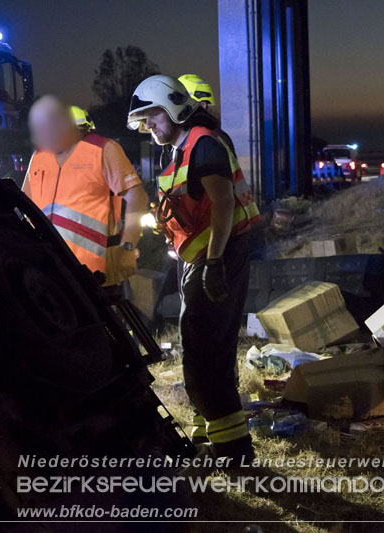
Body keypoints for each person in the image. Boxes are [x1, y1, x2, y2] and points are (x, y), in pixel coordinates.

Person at [127, 75, 260, 462]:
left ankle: (233, 450)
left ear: (171, 109)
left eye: (151, 117)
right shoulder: (182, 148)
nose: (147, 126)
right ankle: (213, 432)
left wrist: (215, 262)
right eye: (142, 121)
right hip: (200, 260)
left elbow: (223, 204)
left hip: (219, 258)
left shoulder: (203, 144)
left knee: (208, 350)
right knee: (196, 345)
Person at [23, 95, 148, 285]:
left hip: (96, 268)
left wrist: (128, 248)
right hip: (47, 265)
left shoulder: (104, 149)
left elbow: (137, 198)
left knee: (99, 313)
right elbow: (25, 204)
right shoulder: (39, 156)